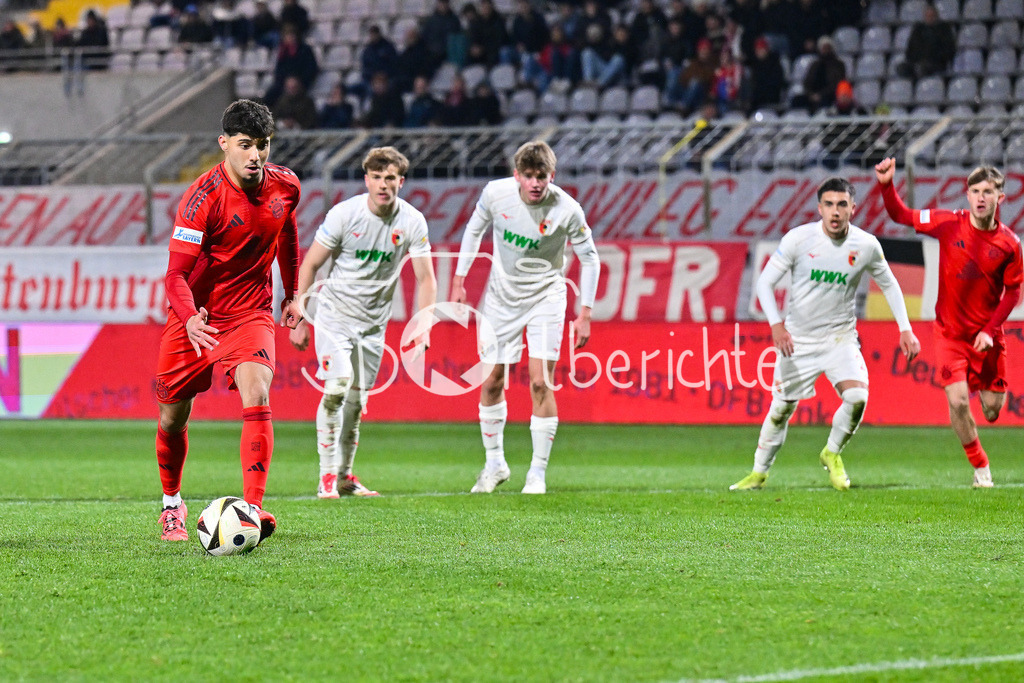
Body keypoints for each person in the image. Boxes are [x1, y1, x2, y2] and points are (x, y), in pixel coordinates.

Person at [155, 99, 301, 542]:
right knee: (172, 419)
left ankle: (252, 511)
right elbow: (175, 274)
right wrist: (189, 319)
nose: (255, 155)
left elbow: (288, 236)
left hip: (251, 311)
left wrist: (293, 294)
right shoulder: (202, 198)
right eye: (245, 145)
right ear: (224, 144)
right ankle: (171, 505)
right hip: (196, 317)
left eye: (262, 145)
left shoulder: (286, 186)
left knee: (257, 391)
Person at [731, 177, 920, 492]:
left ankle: (831, 452)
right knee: (780, 410)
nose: (835, 211)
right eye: (829, 205)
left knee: (857, 397)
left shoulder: (866, 245)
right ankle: (758, 473)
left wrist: (905, 328)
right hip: (798, 341)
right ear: (819, 208)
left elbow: (888, 283)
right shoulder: (798, 240)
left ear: (852, 209)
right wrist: (776, 324)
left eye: (842, 204)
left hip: (840, 340)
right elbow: (764, 283)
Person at [286, 147, 436, 499]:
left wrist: (423, 324)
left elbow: (426, 279)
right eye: (377, 178)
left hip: (373, 326)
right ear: (367, 180)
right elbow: (310, 265)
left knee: (356, 401)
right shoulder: (344, 215)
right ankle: (325, 477)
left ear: (401, 181)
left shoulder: (412, 222)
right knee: (337, 386)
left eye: (391, 179)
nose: (384, 185)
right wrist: (300, 317)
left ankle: (344, 476)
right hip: (335, 317)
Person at [452, 141, 601, 495]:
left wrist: (585, 314)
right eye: (529, 176)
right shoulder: (495, 194)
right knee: (490, 381)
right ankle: (494, 464)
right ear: (517, 175)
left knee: (540, 382)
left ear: (552, 176)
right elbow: (474, 230)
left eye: (542, 177)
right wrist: (459, 280)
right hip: (501, 298)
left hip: (546, 297)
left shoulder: (567, 209)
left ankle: (537, 472)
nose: (535, 184)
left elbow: (591, 258)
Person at [875, 159, 1023, 487]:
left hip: (988, 338)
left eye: (988, 191)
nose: (981, 197)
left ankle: (984, 387)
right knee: (956, 401)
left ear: (1001, 197)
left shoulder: (1010, 244)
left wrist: (988, 330)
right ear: (967, 195)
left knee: (992, 410)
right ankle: (980, 466)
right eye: (975, 191)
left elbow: (1013, 294)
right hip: (949, 335)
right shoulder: (947, 222)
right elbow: (901, 215)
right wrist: (887, 185)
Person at [898, 3, 955, 80]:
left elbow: (948, 49)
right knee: (902, 68)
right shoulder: (918, 29)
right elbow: (911, 48)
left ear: (936, 16)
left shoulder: (944, 29)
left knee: (923, 68)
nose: (929, 18)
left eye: (932, 16)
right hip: (917, 61)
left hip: (936, 63)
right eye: (927, 16)